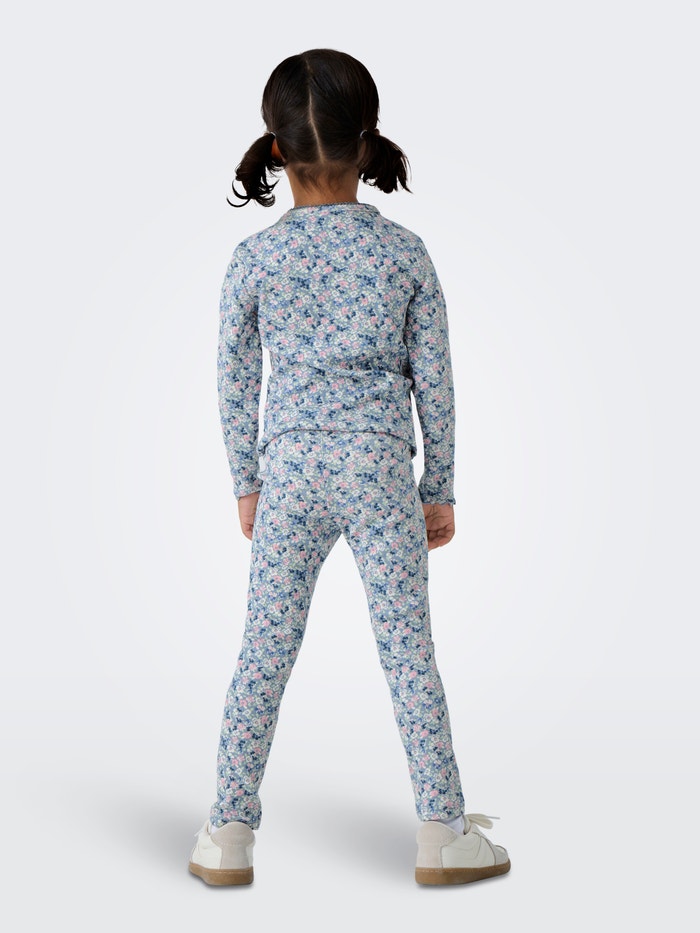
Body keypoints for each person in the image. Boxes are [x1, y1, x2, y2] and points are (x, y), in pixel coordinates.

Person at [188, 48, 510, 887]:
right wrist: (439, 487)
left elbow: (233, 377)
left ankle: (227, 832)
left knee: (264, 650)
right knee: (408, 651)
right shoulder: (405, 254)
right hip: (377, 470)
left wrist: (247, 481)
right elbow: (435, 380)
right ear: (366, 145)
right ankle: (443, 831)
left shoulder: (254, 258)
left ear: (277, 149)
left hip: (291, 470)